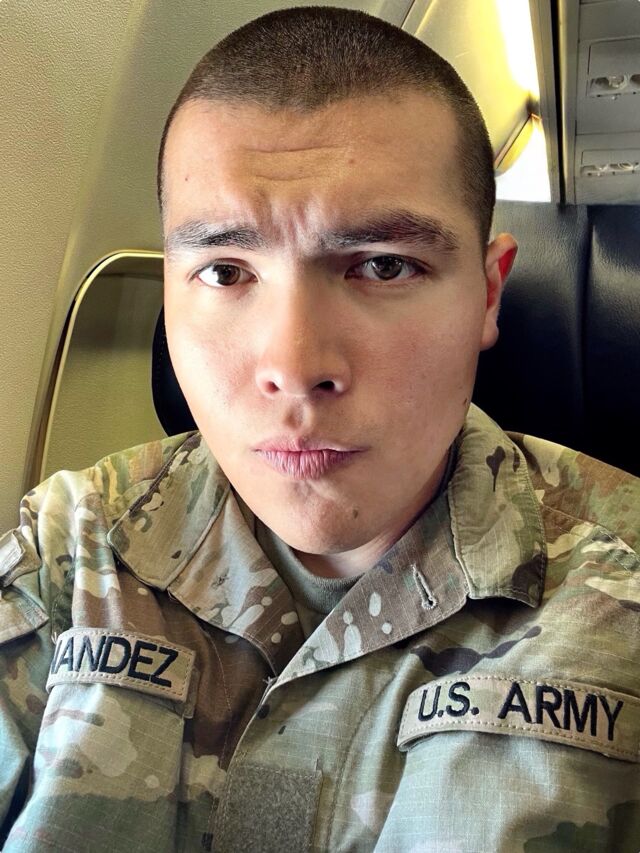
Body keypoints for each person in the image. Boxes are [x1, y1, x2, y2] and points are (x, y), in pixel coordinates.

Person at [0, 6, 638, 852]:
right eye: (225, 271)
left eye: (383, 265)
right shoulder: (66, 551)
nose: (295, 365)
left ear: (488, 294)